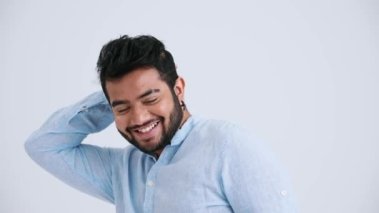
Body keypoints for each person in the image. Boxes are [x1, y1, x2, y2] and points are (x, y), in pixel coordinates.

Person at [25, 35, 297, 213]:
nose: (139, 118)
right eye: (123, 108)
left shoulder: (227, 146)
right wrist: (109, 99)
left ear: (178, 89)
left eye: (150, 98)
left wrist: (123, 97)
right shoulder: (120, 170)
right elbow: (43, 147)